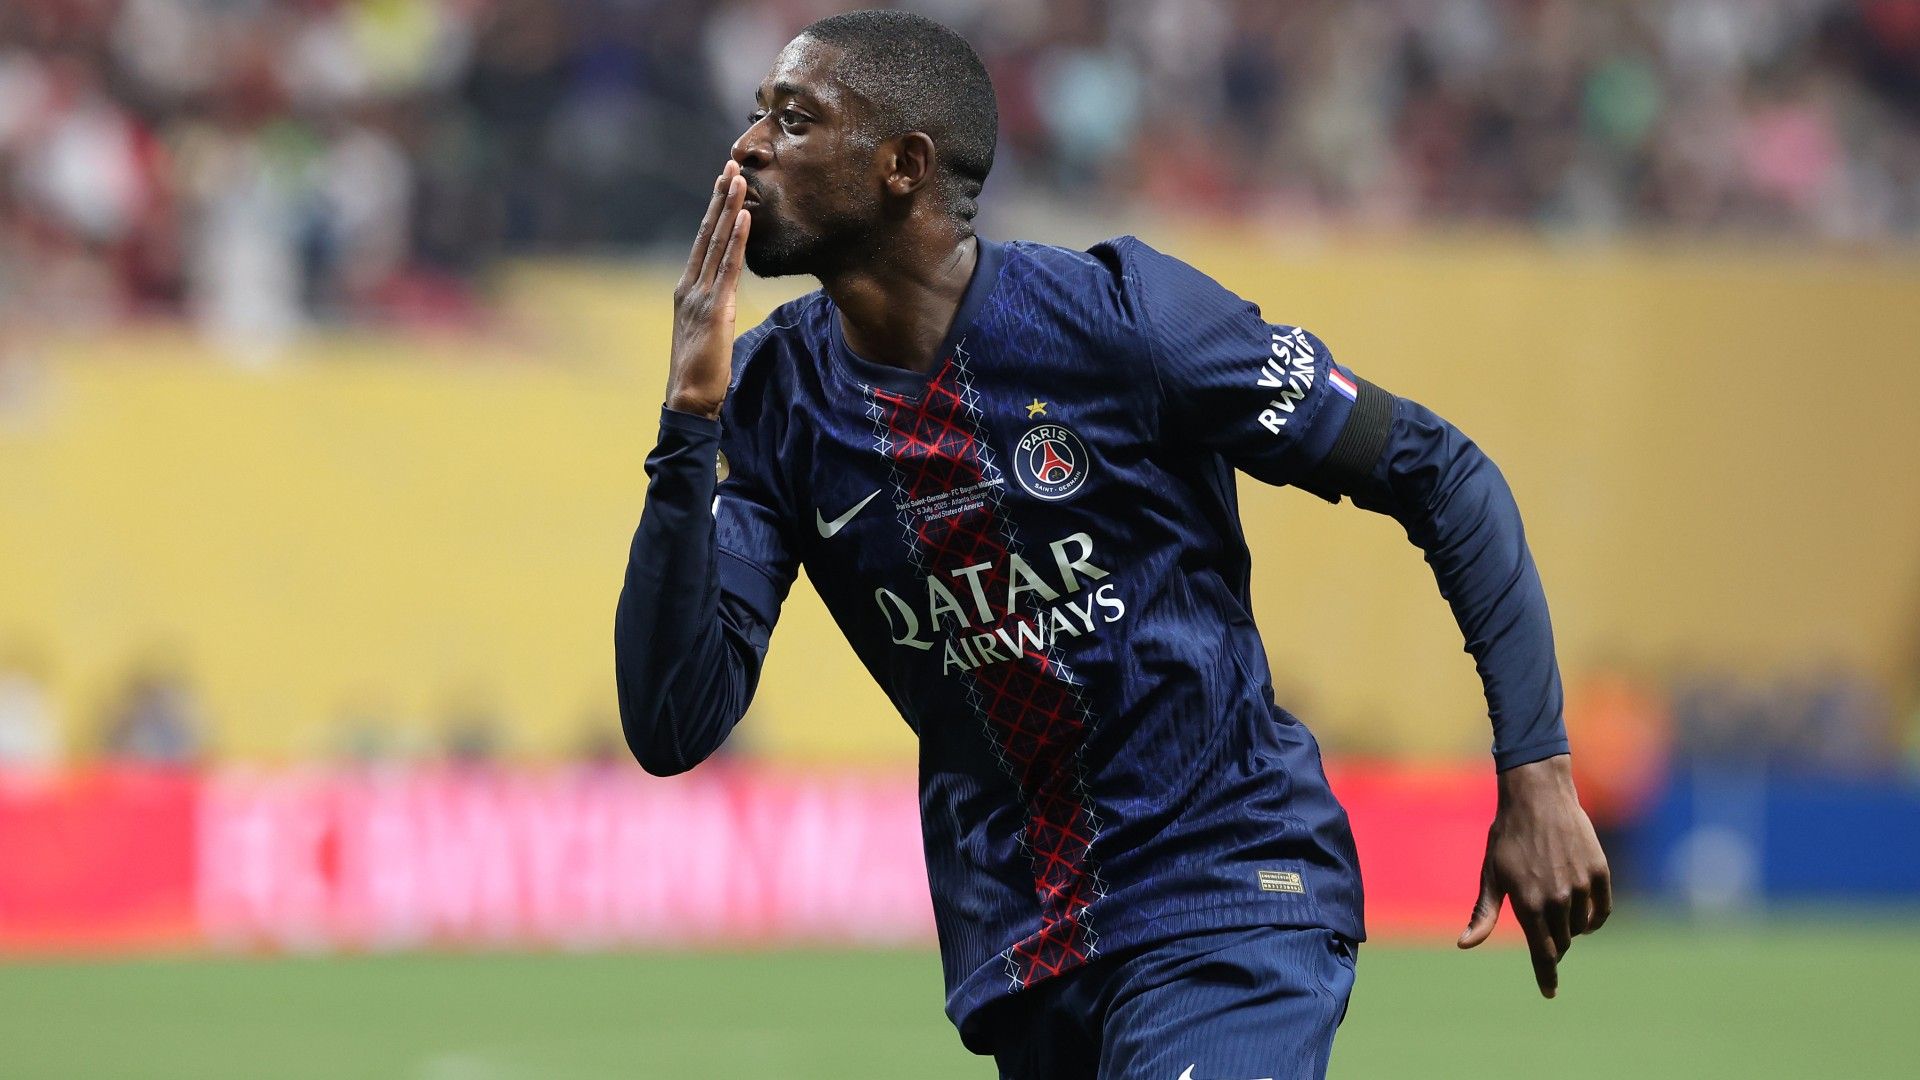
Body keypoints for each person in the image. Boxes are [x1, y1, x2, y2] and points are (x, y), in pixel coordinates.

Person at [614, 10, 1609, 1078]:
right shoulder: (777, 399)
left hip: (1224, 894)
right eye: (758, 114)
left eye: (794, 119)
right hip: (1025, 952)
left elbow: (1439, 470)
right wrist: (688, 426)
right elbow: (674, 720)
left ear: (903, 166)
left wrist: (1539, 770)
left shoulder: (1124, 322)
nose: (748, 146)